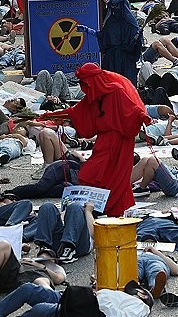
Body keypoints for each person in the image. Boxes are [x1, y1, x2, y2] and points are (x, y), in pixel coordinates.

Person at [43, 64, 151, 217]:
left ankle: (109, 207)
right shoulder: (95, 96)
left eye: (85, 82)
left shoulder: (116, 91)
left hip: (119, 141)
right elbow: (76, 112)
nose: (83, 87)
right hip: (104, 141)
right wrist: (51, 115)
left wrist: (143, 117)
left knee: (110, 175)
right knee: (90, 174)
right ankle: (101, 207)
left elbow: (132, 110)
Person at [92, 0, 143, 85]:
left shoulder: (128, 23)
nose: (115, 8)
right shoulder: (114, 22)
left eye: (116, 5)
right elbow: (104, 37)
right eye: (113, 5)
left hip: (120, 60)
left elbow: (135, 45)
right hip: (116, 59)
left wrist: (138, 38)